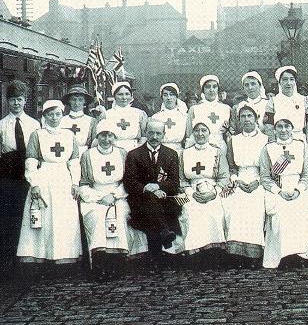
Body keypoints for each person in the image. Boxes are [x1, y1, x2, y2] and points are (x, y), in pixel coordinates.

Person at [78, 119, 148, 279]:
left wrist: (115, 195)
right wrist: (98, 197)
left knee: (122, 214)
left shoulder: (122, 153)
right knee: (96, 216)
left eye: (110, 135)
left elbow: (128, 180)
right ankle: (99, 262)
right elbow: (84, 183)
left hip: (118, 194)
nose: (106, 139)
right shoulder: (88, 155)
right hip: (95, 196)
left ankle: (118, 262)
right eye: (103, 135)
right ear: (97, 136)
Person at [16, 100, 82, 264]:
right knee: (44, 217)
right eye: (50, 114)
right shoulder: (37, 135)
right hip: (44, 176)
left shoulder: (69, 135)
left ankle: (64, 255)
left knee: (63, 217)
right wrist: (34, 183)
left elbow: (74, 161)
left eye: (57, 114)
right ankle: (39, 254)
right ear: (44, 115)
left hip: (64, 179)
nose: (54, 118)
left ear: (62, 114)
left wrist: (75, 182)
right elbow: (31, 160)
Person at [166, 121, 229, 256]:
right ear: (192, 133)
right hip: (190, 191)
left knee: (216, 210)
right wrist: (191, 193)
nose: (200, 134)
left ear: (209, 133)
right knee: (189, 211)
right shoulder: (184, 153)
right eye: (197, 130)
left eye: (204, 130)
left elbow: (224, 178)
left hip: (213, 189)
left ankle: (214, 250)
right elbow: (182, 179)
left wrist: (213, 193)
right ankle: (195, 251)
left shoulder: (217, 152)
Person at [0, 80, 41, 254]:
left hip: (28, 165)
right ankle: (10, 246)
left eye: (19, 99)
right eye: (12, 100)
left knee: (29, 205)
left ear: (25, 100)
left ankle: (30, 247)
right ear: (7, 101)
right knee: (10, 207)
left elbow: (37, 151)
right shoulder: (0, 126)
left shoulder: (34, 124)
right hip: (9, 168)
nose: (16, 103)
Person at [260, 118, 308, 268]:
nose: (283, 130)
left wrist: (298, 190)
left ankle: (302, 255)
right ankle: (285, 255)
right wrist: (279, 192)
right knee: (282, 213)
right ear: (275, 129)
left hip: (299, 187)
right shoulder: (269, 148)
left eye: (287, 126)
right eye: (279, 126)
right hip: (278, 188)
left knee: (301, 212)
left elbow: (307, 174)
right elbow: (265, 177)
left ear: (292, 128)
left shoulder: (300, 145)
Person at [123, 119, 181, 255]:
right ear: (145, 133)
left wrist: (157, 187)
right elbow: (129, 182)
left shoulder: (171, 154)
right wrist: (146, 188)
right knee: (150, 201)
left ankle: (157, 249)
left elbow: (174, 182)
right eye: (151, 133)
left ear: (164, 134)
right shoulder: (134, 154)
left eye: (158, 133)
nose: (155, 137)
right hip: (140, 200)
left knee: (154, 205)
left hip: (165, 199)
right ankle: (164, 234)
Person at [223, 106, 269, 266]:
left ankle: (253, 255)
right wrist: (236, 180)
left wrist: (260, 181)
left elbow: (270, 167)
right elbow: (231, 166)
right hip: (239, 179)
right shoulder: (233, 140)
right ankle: (236, 255)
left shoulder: (266, 139)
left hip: (260, 179)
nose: (247, 119)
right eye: (243, 116)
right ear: (239, 120)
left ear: (256, 118)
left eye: (250, 116)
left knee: (256, 206)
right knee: (235, 205)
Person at [264, 65, 308, 148]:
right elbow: (269, 126)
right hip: (280, 142)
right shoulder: (273, 101)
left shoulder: (304, 100)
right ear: (279, 82)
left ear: (295, 81)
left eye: (291, 79)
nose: (288, 83)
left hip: (300, 141)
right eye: (285, 79)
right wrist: (273, 144)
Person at [185, 75, 231, 151]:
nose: (211, 90)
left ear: (218, 89)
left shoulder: (226, 108)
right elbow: (189, 133)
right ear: (203, 90)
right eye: (208, 87)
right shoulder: (194, 109)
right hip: (200, 148)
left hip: (220, 147)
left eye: (214, 87)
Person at [103, 82, 148, 151]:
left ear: (131, 96)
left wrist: (139, 150)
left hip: (135, 149)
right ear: (114, 96)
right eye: (120, 94)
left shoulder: (139, 113)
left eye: (127, 94)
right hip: (114, 150)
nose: (124, 97)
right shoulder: (107, 114)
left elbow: (144, 136)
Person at [60, 84, 98, 155]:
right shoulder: (61, 120)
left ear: (85, 102)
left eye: (80, 100)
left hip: (84, 154)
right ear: (69, 101)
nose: (77, 103)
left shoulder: (92, 121)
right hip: (65, 154)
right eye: (74, 99)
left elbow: (94, 144)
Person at [152, 83, 188, 154]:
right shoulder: (156, 117)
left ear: (176, 97)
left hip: (178, 150)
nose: (169, 98)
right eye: (165, 95)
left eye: (172, 94)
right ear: (162, 97)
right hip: (160, 151)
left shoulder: (184, 116)